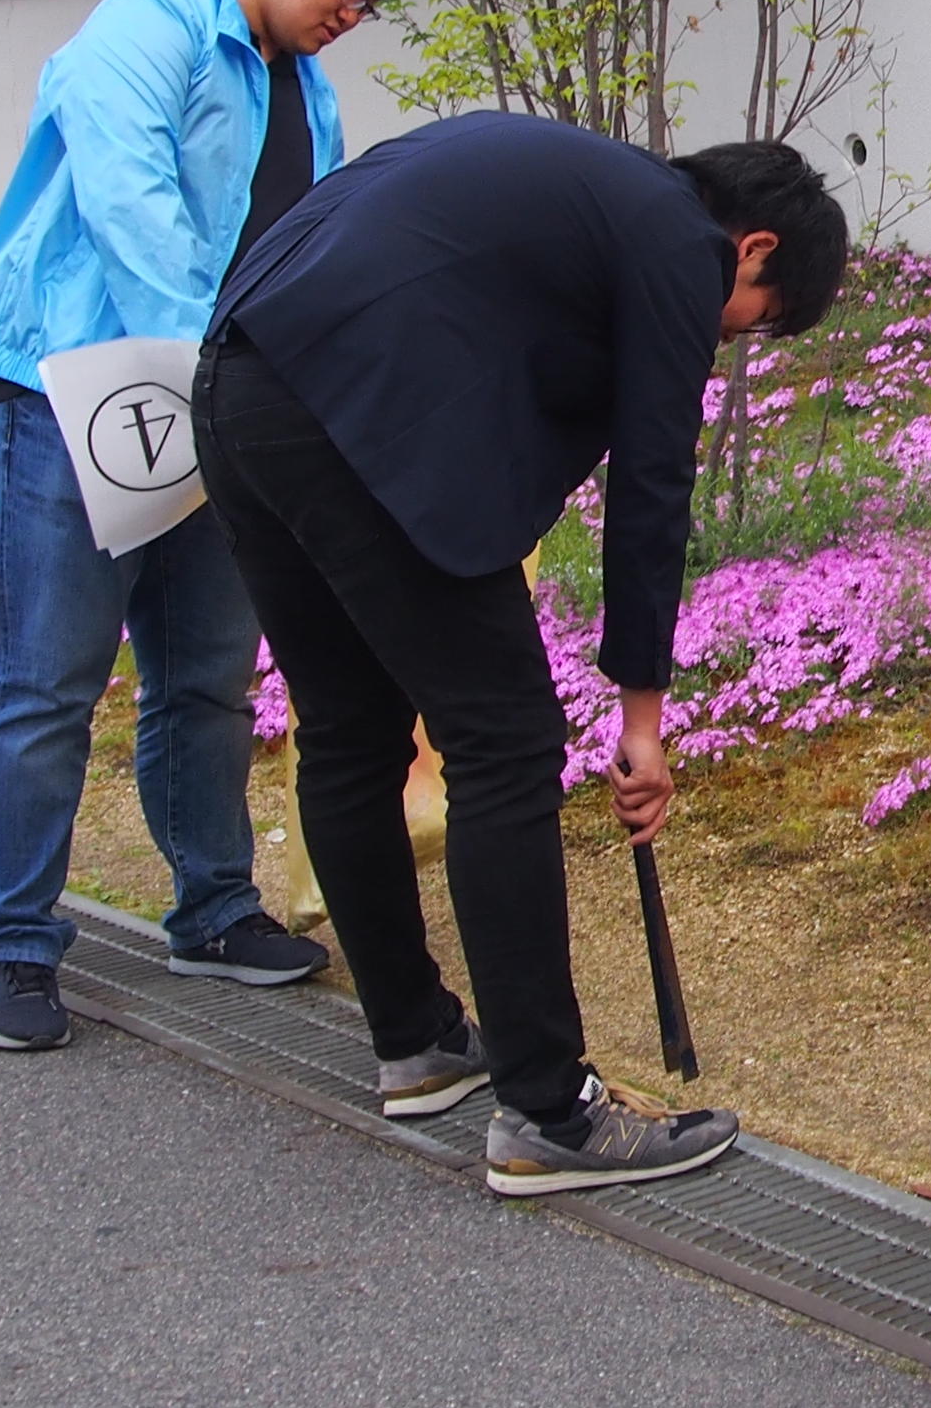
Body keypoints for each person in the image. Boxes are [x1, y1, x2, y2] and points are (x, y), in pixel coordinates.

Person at [195, 114, 848, 1197]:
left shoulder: (583, 186)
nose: (724, 337)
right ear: (756, 249)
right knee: (504, 744)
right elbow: (652, 484)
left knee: (349, 732)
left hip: (240, 390)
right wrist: (643, 718)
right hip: (360, 418)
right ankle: (550, 1113)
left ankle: (414, 1044)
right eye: (749, 326)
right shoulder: (680, 239)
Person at [0, 0, 428, 1058]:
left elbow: (306, 246)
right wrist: (222, 368)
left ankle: (212, 909)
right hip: (78, 391)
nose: (351, 16)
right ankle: (13, 942)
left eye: (369, 3)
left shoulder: (302, 86)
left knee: (210, 673)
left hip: (216, 408)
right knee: (48, 681)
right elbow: (135, 216)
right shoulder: (145, 28)